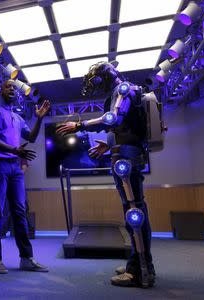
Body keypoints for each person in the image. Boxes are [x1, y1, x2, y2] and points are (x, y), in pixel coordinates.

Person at [56, 61, 155, 288]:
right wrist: (108, 145)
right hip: (124, 154)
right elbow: (123, 128)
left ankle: (142, 272)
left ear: (103, 77)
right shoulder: (122, 91)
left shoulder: (123, 89)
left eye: (95, 81)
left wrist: (79, 125)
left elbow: (113, 119)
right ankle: (136, 264)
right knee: (133, 212)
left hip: (127, 158)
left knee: (134, 214)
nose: (94, 86)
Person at [0, 79, 50, 274]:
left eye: (14, 87)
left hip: (14, 166)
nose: (12, 89)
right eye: (8, 86)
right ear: (0, 90)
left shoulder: (18, 117)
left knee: (20, 211)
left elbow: (31, 138)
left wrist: (38, 118)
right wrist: (14, 150)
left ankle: (26, 258)